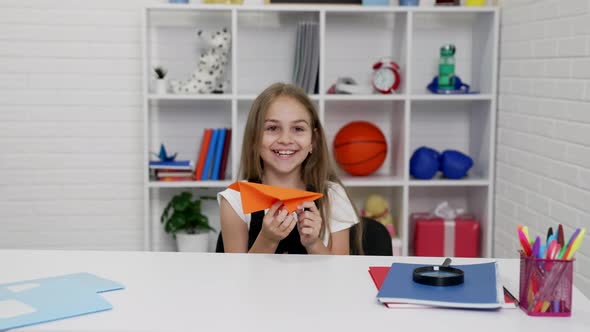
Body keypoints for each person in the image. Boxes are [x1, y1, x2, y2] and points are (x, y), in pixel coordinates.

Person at [217, 82, 363, 255]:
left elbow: (339, 275)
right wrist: (267, 240)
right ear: (254, 138)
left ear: (313, 141)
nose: (285, 139)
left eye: (298, 129)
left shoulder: (332, 196)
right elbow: (238, 277)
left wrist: (313, 243)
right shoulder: (235, 201)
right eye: (272, 128)